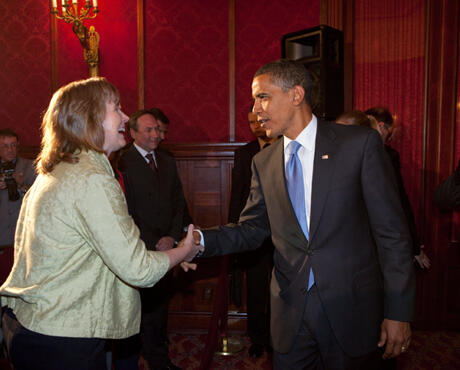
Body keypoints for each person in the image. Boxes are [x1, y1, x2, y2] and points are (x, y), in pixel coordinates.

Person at [188, 59, 415, 369]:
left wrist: (398, 311)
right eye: (254, 100)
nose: (256, 110)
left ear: (296, 95)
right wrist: (199, 240)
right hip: (290, 315)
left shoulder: (357, 145)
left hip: (351, 310)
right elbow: (252, 229)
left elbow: (392, 234)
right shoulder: (263, 162)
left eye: (262, 97)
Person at [0, 77, 201, 370]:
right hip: (63, 338)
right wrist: (184, 250)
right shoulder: (91, 178)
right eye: (115, 108)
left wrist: (168, 256)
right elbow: (138, 269)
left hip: (37, 328)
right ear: (89, 117)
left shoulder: (58, 170)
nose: (123, 116)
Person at [119, 110, 187, 370]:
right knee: (140, 311)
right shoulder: (122, 162)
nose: (155, 135)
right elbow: (126, 210)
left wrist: (171, 235)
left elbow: (179, 202)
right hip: (140, 248)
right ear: (133, 133)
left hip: (167, 247)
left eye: (158, 130)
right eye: (148, 130)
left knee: (159, 309)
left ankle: (158, 359)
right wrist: (154, 240)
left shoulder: (167, 161)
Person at [228, 107, 276, 358]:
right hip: (254, 233)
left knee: (283, 289)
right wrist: (234, 232)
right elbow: (237, 196)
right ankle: (257, 337)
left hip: (283, 234)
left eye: (258, 119)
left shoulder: (286, 147)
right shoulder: (244, 153)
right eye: (250, 122)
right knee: (257, 288)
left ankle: (279, 337)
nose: (255, 125)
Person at [365, 106, 430, 269]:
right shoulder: (387, 155)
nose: (389, 138)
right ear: (380, 126)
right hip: (379, 243)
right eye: (390, 132)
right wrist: (413, 245)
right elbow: (399, 202)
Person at [0, 128, 36, 246]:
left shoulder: (31, 167)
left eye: (13, 145)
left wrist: (21, 185)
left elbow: (39, 201)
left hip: (23, 233)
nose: (10, 150)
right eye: (5, 146)